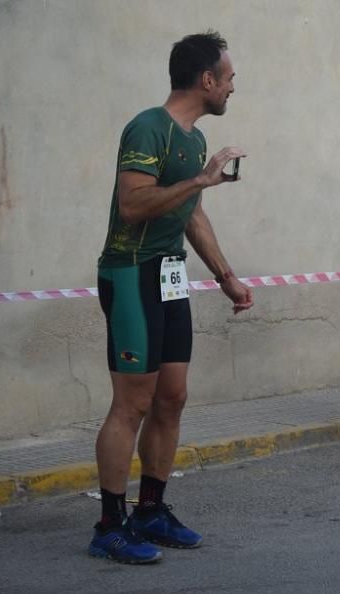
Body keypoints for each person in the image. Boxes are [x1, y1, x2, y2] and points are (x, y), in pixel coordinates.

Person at [91, 31, 253, 564]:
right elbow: (134, 205)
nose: (233, 87)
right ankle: (109, 524)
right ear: (206, 80)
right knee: (132, 402)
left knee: (172, 396)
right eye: (228, 77)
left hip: (168, 275)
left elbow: (192, 214)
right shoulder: (148, 127)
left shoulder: (195, 140)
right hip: (131, 272)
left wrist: (226, 275)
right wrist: (201, 181)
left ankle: (151, 509)